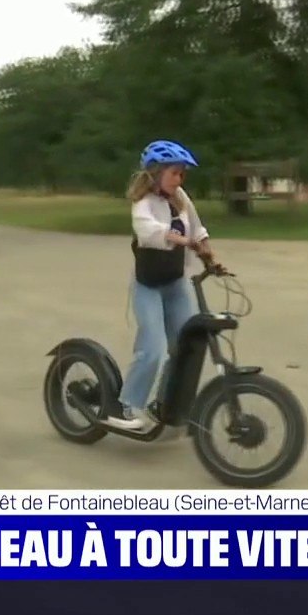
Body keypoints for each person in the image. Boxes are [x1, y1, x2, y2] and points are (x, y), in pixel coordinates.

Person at [101, 139, 223, 432]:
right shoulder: (143, 204)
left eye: (182, 174)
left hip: (175, 281)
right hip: (148, 286)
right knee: (153, 348)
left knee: (186, 345)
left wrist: (207, 252)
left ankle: (167, 404)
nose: (179, 179)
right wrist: (184, 240)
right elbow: (148, 232)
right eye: (174, 173)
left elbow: (197, 227)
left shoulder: (180, 197)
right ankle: (128, 407)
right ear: (155, 173)